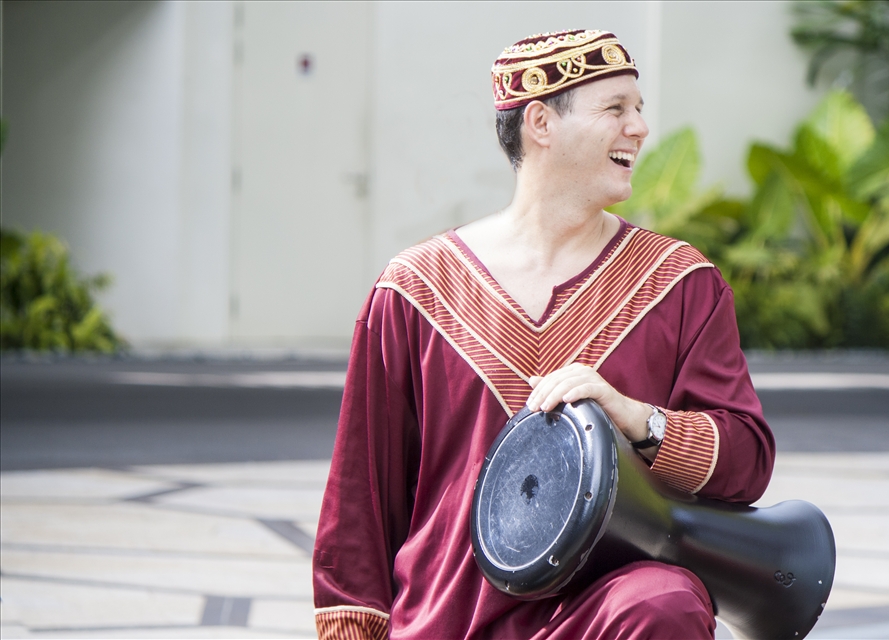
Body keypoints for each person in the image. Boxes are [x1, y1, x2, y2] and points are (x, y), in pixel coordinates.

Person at [313, 29, 774, 639]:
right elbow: (360, 499)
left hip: (605, 614)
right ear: (540, 123)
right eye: (615, 109)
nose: (638, 128)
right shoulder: (415, 290)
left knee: (664, 602)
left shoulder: (679, 284)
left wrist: (635, 417)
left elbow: (746, 460)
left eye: (639, 110)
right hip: (446, 623)